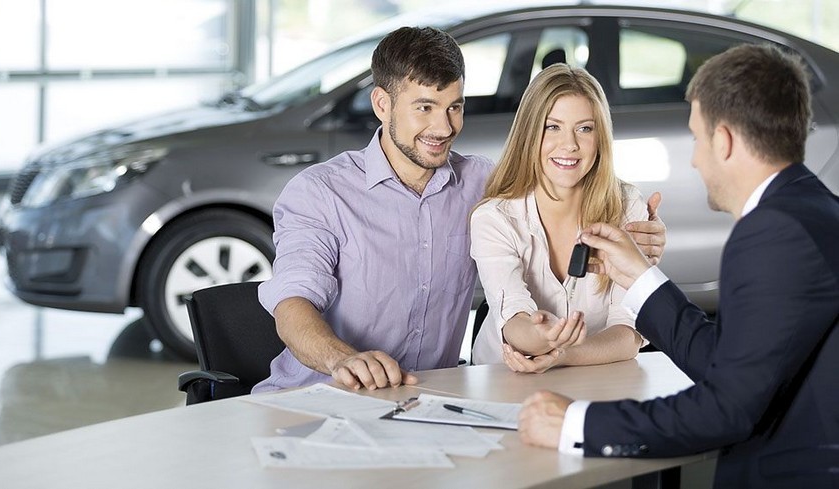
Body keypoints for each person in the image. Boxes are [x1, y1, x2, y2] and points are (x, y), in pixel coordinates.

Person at [253, 27, 667, 394]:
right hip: (319, 395)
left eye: (455, 106)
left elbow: (561, 186)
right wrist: (340, 359)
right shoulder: (320, 192)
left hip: (429, 401)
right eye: (425, 107)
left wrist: (647, 242)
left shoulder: (485, 186)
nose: (444, 127)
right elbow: (292, 303)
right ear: (382, 104)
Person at [517, 44, 839, 488]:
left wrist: (576, 424)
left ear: (723, 141)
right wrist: (639, 275)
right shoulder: (815, 210)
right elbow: (727, 362)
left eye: (697, 138)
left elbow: (726, 409)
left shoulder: (773, 232)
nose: (694, 159)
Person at [470, 64, 654, 369]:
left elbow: (629, 332)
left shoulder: (627, 207)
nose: (569, 145)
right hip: (504, 377)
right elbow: (513, 318)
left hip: (594, 379)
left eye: (584, 128)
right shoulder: (495, 218)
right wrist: (539, 335)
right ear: (530, 134)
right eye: (552, 127)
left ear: (600, 138)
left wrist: (560, 356)